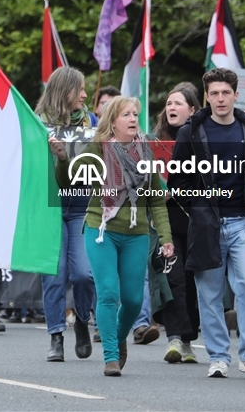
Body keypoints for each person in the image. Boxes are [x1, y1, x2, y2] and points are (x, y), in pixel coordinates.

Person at [168, 67, 245, 378]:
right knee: (208, 293)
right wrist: (199, 207)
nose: (220, 98)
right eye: (214, 93)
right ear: (206, 97)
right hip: (207, 224)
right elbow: (178, 181)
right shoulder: (191, 132)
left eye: (226, 92)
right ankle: (218, 356)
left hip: (242, 222)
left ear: (236, 95)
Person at [77, 96, 173, 376]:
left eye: (135, 114)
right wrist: (61, 157)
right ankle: (110, 356)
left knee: (132, 300)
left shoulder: (146, 152)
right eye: (126, 115)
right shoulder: (97, 148)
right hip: (101, 229)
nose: (133, 119)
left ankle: (118, 338)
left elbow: (156, 199)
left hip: (136, 234)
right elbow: (70, 175)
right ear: (112, 122)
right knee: (108, 293)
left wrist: (165, 236)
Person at [38, 66, 97, 362]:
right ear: (65, 92)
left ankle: (83, 320)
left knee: (85, 274)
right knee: (54, 275)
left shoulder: (92, 121)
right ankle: (56, 335)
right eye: (80, 90)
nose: (85, 95)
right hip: (49, 210)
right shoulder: (37, 125)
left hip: (80, 206)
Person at [148, 83, 202, 363]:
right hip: (164, 223)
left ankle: (189, 339)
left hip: (195, 221)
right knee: (173, 278)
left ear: (192, 110)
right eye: (169, 103)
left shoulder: (202, 141)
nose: (171, 108)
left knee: (193, 282)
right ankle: (175, 339)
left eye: (178, 103)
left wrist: (181, 189)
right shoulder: (151, 143)